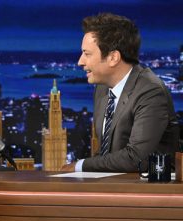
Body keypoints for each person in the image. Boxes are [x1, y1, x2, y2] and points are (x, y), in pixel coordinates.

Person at [61, 13, 179, 172]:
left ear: (113, 57)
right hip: (113, 181)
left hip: (150, 184)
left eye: (87, 54)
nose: (80, 61)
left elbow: (136, 158)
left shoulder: (150, 92)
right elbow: (107, 154)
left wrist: (80, 166)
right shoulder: (102, 89)